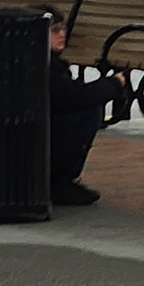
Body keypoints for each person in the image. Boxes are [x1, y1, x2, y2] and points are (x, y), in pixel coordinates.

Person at [44, 12, 130, 206]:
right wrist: (114, 84)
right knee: (90, 110)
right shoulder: (45, 67)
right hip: (44, 137)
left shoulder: (39, 62)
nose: (63, 34)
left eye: (63, 28)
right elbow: (77, 97)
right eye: (55, 30)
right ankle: (61, 180)